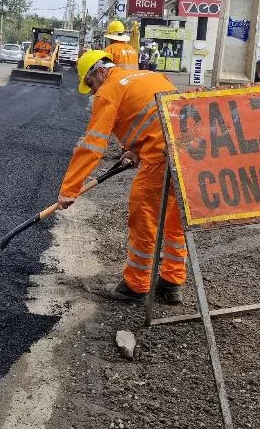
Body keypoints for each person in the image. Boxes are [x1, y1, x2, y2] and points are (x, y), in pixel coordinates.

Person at [56, 50, 186, 305]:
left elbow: (92, 145)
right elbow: (154, 115)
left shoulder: (109, 90)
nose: (93, 92)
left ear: (100, 72)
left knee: (144, 218)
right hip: (190, 151)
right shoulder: (146, 75)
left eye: (91, 84)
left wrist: (69, 190)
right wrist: (136, 149)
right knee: (175, 217)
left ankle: (136, 286)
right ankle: (171, 283)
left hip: (162, 157)